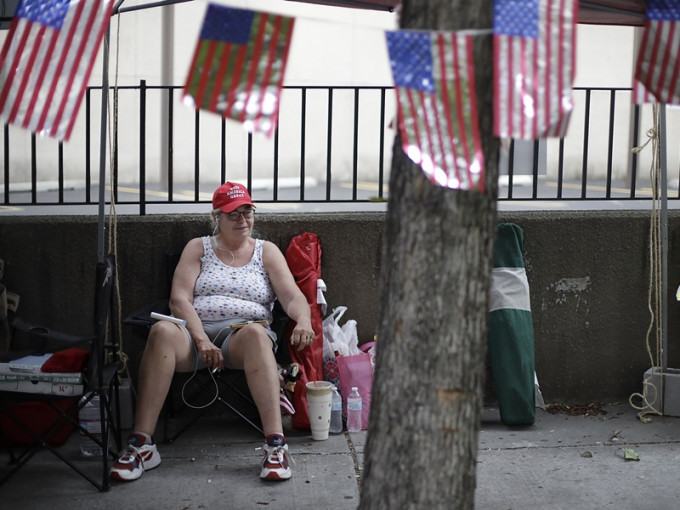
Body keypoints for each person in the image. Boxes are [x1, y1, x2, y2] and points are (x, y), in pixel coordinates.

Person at [110, 181, 314, 482]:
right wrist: (201, 339)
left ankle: (276, 447)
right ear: (216, 216)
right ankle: (142, 445)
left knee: (257, 335)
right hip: (196, 334)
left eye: (247, 212)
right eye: (233, 214)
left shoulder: (265, 252)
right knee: (162, 332)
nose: (242, 220)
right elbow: (178, 299)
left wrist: (304, 321)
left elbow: (292, 296)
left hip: (243, 336)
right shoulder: (198, 247)